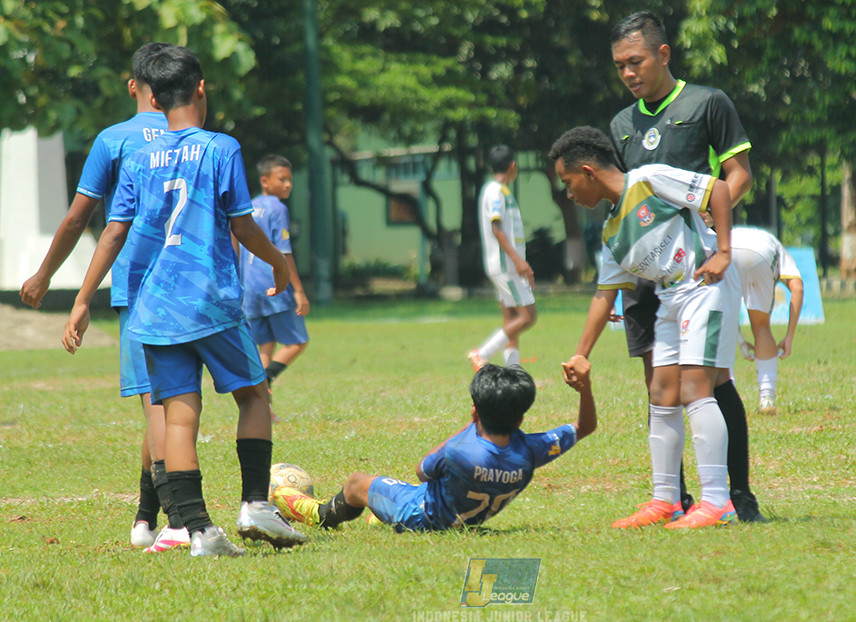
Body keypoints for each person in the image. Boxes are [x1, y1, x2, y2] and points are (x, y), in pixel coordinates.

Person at [62, 45, 307, 557]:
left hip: (152, 308)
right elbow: (241, 223)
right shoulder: (222, 148)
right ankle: (256, 506)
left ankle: (198, 533)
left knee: (178, 416)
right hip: (210, 301)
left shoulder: (140, 155)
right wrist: (280, 264)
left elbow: (112, 232)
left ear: (151, 94)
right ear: (200, 89)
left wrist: (84, 299)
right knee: (255, 395)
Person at [20, 42, 189, 552]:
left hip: (140, 284)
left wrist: (47, 276)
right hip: (192, 281)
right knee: (173, 402)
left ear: (134, 85)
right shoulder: (198, 138)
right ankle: (145, 515)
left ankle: (179, 521)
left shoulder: (115, 139)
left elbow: (80, 218)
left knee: (157, 407)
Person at [608, 11, 763, 523]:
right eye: (620, 66)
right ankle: (672, 498)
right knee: (660, 384)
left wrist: (713, 234)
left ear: (663, 54)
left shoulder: (706, 103)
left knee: (713, 379)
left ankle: (737, 497)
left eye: (636, 62)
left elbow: (737, 175)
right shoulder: (621, 126)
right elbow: (625, 207)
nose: (629, 74)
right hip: (648, 278)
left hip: (697, 271)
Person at [551, 125, 739, 529]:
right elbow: (604, 296)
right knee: (662, 391)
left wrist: (723, 252)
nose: (568, 194)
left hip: (705, 284)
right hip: (670, 300)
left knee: (694, 388)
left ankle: (718, 502)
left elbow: (718, 191)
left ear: (587, 171)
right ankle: (666, 500)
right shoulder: (612, 233)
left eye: (567, 183)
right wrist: (581, 353)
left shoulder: (649, 180)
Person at [271, 362, 596, 532]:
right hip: (467, 519)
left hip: (420, 516)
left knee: (358, 482)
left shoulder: (460, 451)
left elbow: (423, 470)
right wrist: (584, 389)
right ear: (522, 416)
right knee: (404, 491)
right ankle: (378, 513)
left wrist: (471, 424)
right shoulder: (531, 450)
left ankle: (319, 514)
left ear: (474, 411)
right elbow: (585, 427)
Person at [240, 154, 310, 421]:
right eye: (283, 179)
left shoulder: (249, 206)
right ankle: (264, 380)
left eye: (290, 179)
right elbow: (284, 252)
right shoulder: (277, 208)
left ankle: (263, 410)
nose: (288, 184)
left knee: (265, 346)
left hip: (249, 286)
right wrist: (299, 290)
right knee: (298, 341)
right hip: (272, 283)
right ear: (265, 181)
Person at [468, 145, 537, 369]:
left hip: (502, 265)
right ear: (512, 166)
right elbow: (497, 228)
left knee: (511, 320)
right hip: (506, 265)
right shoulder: (496, 191)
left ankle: (513, 370)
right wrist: (518, 261)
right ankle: (482, 352)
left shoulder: (497, 190)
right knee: (527, 317)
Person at [730, 226, 804, 415]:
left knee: (722, 322)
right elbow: (798, 288)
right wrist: (789, 337)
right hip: (762, 255)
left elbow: (726, 314)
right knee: (761, 326)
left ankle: (725, 397)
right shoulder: (781, 252)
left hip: (727, 247)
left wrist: (740, 341)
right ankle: (766, 398)